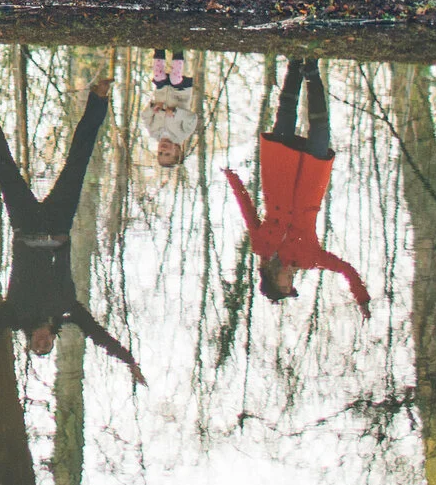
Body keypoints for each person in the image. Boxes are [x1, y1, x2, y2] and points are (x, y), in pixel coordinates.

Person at [0, 78, 145, 382]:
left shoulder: (14, 314)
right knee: (78, 164)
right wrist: (127, 359)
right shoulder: (68, 311)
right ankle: (98, 99)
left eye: (36, 345)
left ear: (28, 339)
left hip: (25, 224)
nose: (42, 342)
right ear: (52, 339)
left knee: (3, 164)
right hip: (58, 224)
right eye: (47, 345)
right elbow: (98, 335)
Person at [226, 57, 372, 314]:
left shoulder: (261, 247)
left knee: (284, 117)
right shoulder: (310, 259)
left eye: (286, 285)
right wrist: (362, 299)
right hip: (309, 186)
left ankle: (294, 65)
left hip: (278, 177)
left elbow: (248, 212)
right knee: (320, 130)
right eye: (290, 286)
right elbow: (346, 270)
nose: (291, 282)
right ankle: (312, 71)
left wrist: (232, 178)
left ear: (272, 280)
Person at [144, 51, 197, 169]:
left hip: (162, 93)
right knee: (175, 78)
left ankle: (159, 49)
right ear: (177, 149)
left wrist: (153, 108)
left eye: (160, 153)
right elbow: (192, 118)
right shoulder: (182, 134)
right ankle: (178, 50)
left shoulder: (154, 132)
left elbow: (145, 116)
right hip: (180, 93)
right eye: (167, 153)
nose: (163, 150)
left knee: (158, 76)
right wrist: (175, 113)